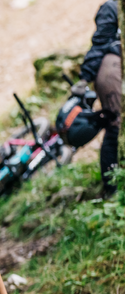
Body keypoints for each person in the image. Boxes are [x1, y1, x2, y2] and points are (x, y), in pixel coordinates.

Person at [76, 0, 121, 196]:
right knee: (115, 129)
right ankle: (112, 190)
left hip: (114, 70)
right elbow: (100, 43)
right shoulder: (112, 7)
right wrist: (84, 78)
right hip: (111, 72)